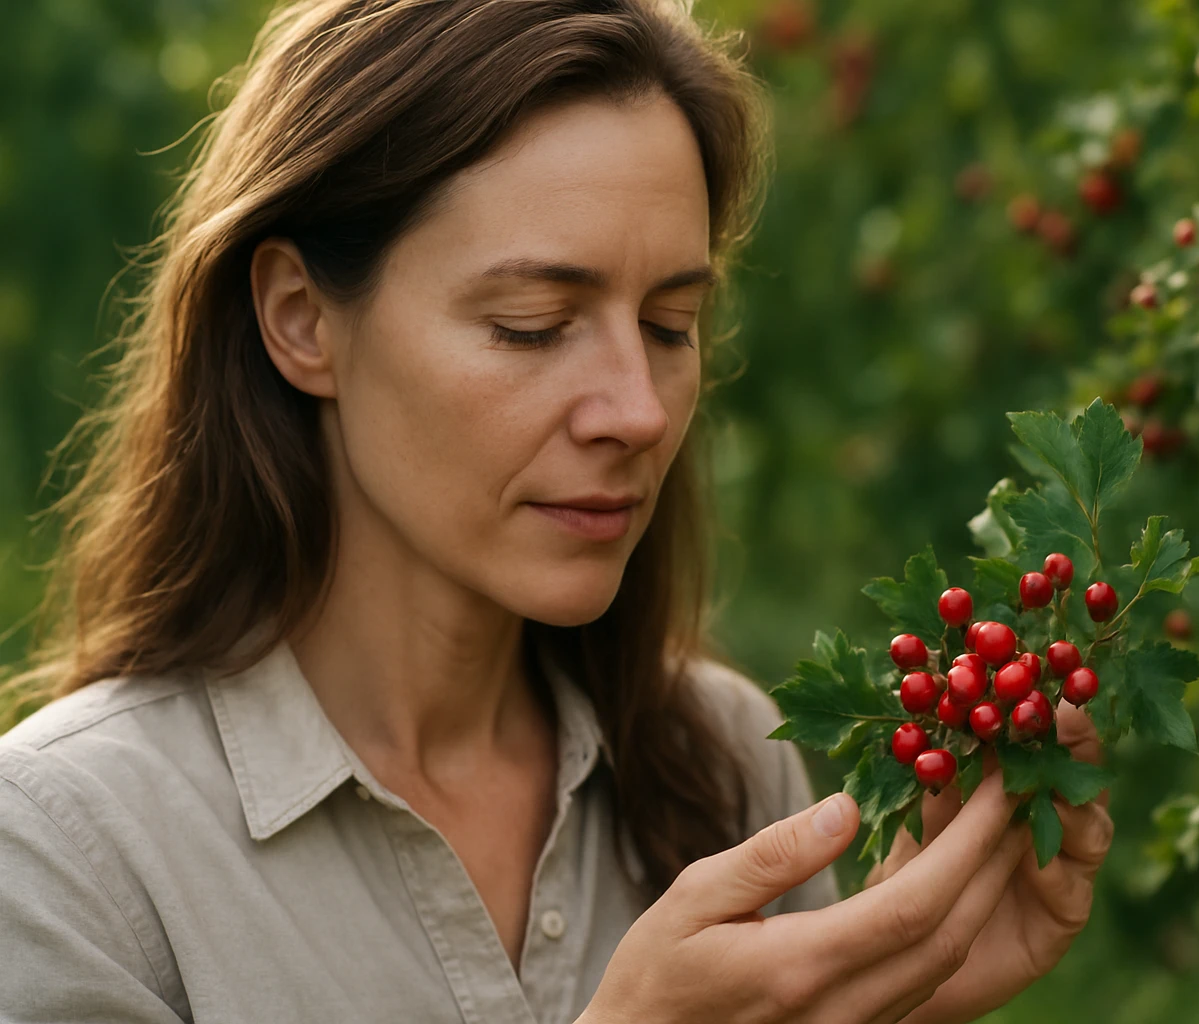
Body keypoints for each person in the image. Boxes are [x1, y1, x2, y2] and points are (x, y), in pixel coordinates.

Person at [0, 1, 1112, 1021]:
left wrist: (894, 996)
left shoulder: (726, 756)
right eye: (533, 323)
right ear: (301, 319)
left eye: (671, 327)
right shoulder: (63, 855)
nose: (637, 410)